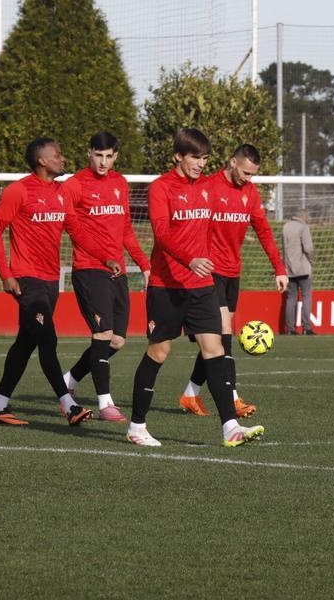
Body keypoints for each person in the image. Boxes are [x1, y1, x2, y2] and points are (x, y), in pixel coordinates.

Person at [126, 127, 264, 448]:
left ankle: (230, 427)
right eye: (194, 157)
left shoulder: (208, 187)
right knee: (159, 352)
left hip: (202, 285)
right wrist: (190, 259)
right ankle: (136, 426)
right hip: (167, 286)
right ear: (178, 155)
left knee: (214, 350)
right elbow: (161, 233)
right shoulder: (161, 187)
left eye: (204, 158)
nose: (200, 164)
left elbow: (230, 207)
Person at [0, 137, 91, 427]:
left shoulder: (60, 193)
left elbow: (76, 231)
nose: (63, 159)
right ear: (42, 161)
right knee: (48, 339)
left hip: (50, 280)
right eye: (58, 155)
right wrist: (6, 274)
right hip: (26, 280)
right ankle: (69, 406)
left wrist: (105, 258)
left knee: (25, 344)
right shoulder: (18, 190)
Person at [179, 143, 288, 418]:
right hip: (208, 271)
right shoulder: (209, 187)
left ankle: (191, 393)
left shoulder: (249, 193)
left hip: (232, 273)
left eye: (252, 174)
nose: (247, 178)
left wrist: (279, 268)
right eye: (244, 172)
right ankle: (233, 398)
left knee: (214, 339)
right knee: (224, 335)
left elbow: (263, 230)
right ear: (232, 162)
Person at [60, 131, 151, 423]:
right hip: (89, 269)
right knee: (101, 335)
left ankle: (68, 380)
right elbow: (73, 228)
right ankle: (105, 404)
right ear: (89, 153)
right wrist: (104, 257)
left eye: (108, 156)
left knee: (116, 341)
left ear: (115, 156)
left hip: (118, 271)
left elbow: (125, 228)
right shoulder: (74, 185)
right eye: (98, 155)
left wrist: (144, 265)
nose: (103, 161)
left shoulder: (120, 183)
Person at [282, 208, 315, 335]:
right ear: (303, 216)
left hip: (289, 268)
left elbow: (284, 249)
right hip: (303, 268)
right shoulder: (303, 227)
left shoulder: (285, 227)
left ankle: (290, 329)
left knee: (291, 298)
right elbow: (308, 248)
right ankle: (307, 327)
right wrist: (311, 262)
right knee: (307, 296)